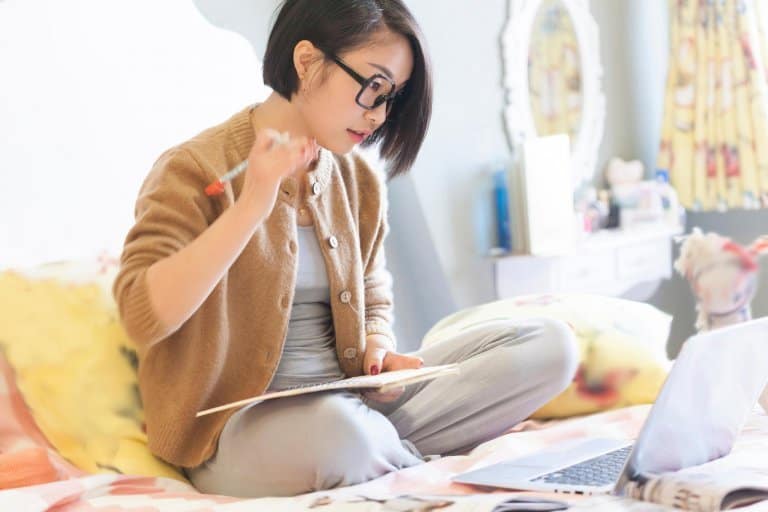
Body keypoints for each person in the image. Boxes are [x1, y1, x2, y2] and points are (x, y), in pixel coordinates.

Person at [113, 0, 579, 498]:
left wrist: (377, 348)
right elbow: (142, 316)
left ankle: (379, 453)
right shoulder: (192, 168)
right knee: (339, 437)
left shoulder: (358, 178)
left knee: (550, 346)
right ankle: (399, 459)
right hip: (238, 431)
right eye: (373, 87)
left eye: (391, 97)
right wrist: (252, 204)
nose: (379, 115)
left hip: (355, 405)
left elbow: (373, 294)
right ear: (307, 60)